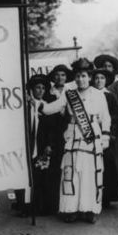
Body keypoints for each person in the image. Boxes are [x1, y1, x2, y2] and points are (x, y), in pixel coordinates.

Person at [38, 58, 111, 223]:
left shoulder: (99, 95)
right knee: (71, 172)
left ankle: (89, 210)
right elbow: (52, 108)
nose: (80, 79)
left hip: (91, 138)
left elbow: (105, 118)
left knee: (89, 174)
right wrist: (38, 104)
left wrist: (105, 137)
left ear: (89, 77)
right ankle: (71, 210)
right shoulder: (68, 94)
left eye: (84, 76)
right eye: (77, 76)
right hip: (72, 137)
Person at [91, 68, 118, 207]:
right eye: (97, 78)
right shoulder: (89, 94)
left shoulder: (110, 96)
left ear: (106, 81)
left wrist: (108, 128)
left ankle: (107, 197)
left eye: (102, 78)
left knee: (107, 165)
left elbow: (116, 115)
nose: (99, 81)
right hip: (91, 133)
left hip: (106, 134)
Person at [43, 65, 73, 214]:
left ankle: (67, 203)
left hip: (68, 133)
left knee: (68, 168)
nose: (60, 78)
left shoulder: (71, 92)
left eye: (63, 75)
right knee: (53, 168)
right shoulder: (48, 93)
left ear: (67, 77)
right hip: (52, 134)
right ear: (53, 77)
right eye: (57, 75)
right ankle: (52, 204)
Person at [93, 54, 118, 177]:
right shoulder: (95, 87)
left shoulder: (117, 84)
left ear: (113, 69)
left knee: (114, 150)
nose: (107, 68)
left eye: (109, 66)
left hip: (113, 121)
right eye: (104, 66)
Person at [25, 74, 53, 215]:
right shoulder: (25, 106)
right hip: (29, 144)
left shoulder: (47, 106)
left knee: (41, 176)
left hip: (42, 145)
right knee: (27, 176)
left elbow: (51, 128)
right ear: (32, 89)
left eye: (43, 88)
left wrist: (49, 144)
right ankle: (25, 206)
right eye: (37, 88)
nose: (40, 91)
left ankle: (41, 207)